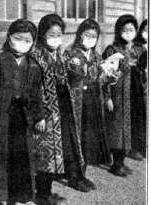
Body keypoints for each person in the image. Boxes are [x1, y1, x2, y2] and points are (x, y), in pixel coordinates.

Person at [0, 19, 44, 205]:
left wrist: (39, 116)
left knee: (22, 157)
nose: (22, 43)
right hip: (0, 117)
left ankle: (22, 197)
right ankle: (2, 198)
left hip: (23, 118)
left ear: (33, 42)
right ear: (9, 38)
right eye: (18, 38)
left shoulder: (33, 65)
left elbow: (37, 94)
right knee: (2, 156)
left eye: (27, 40)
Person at [63, 18, 111, 191]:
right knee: (76, 138)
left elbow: (102, 79)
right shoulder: (70, 53)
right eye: (87, 35)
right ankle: (73, 176)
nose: (90, 39)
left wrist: (109, 76)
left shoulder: (97, 56)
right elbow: (66, 77)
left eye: (94, 36)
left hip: (92, 101)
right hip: (76, 102)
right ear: (79, 35)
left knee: (88, 139)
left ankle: (82, 174)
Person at [30, 13, 69, 203]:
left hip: (57, 110)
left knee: (54, 153)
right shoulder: (36, 56)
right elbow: (34, 89)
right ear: (43, 34)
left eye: (59, 34)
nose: (55, 38)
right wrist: (39, 115)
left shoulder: (58, 54)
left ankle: (48, 191)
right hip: (44, 112)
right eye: (51, 34)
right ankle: (42, 194)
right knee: (44, 153)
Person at [102, 14, 144, 176]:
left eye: (131, 30)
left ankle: (122, 161)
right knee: (116, 129)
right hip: (117, 96)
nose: (128, 32)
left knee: (126, 129)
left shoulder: (132, 50)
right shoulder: (112, 50)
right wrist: (107, 98)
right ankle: (115, 164)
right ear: (118, 31)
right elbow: (105, 77)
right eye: (124, 29)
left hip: (129, 97)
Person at [129, 19, 148, 159]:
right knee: (139, 116)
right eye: (146, 29)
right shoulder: (136, 47)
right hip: (140, 86)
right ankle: (136, 147)